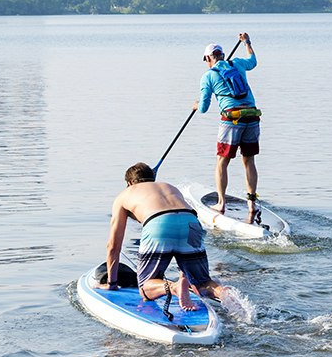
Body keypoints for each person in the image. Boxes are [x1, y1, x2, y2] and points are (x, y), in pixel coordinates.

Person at [104, 163, 243, 314]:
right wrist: (185, 276)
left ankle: (173, 287)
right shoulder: (170, 187)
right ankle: (224, 292)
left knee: (145, 288)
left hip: (158, 222)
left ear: (129, 183)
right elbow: (179, 222)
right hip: (191, 221)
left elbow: (113, 246)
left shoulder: (125, 194)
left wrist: (112, 284)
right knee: (202, 283)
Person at [196, 33, 261, 221]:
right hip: (251, 115)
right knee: (249, 161)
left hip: (231, 119)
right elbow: (254, 61)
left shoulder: (208, 75)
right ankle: (252, 204)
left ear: (209, 58)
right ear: (223, 55)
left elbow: (203, 108)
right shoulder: (238, 63)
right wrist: (247, 42)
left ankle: (221, 203)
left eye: (206, 60)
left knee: (222, 161)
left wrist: (195, 105)